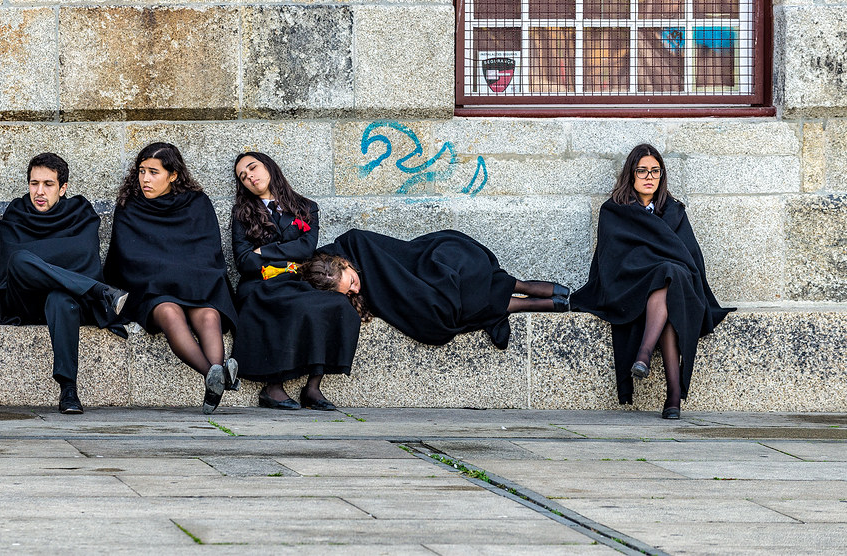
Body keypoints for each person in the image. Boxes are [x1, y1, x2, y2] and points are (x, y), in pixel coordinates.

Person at [571, 143, 734, 419]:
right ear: (631, 174)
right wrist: (652, 263)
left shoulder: (675, 212)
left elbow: (690, 257)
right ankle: (672, 396)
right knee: (667, 278)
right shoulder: (614, 211)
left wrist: (663, 264)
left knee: (671, 275)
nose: (649, 177)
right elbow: (613, 259)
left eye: (655, 171)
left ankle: (644, 357)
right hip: (629, 285)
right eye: (642, 170)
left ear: (662, 175)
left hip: (677, 282)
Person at [0, 152, 128, 415]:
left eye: (48, 184)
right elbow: (12, 264)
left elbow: (83, 255)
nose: (39, 191)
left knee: (60, 298)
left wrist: (44, 261)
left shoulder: (80, 213)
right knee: (20, 259)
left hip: (67, 299)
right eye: (34, 183)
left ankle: (68, 390)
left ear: (63, 188)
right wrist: (55, 258)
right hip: (23, 300)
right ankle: (99, 291)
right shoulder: (17, 212)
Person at [104, 142, 238, 414]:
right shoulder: (130, 206)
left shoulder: (197, 203)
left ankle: (216, 381)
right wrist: (168, 272)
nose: (145, 179)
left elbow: (207, 250)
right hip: (152, 289)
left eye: (153, 172)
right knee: (169, 313)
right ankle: (216, 375)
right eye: (141, 171)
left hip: (197, 284)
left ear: (173, 175)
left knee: (210, 316)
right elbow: (127, 257)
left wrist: (183, 273)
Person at [230, 152, 360, 411]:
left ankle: (313, 386)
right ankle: (273, 387)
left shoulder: (306, 207)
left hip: (297, 280)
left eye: (253, 168)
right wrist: (283, 251)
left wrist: (263, 251)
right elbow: (244, 262)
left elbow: (306, 248)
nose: (249, 177)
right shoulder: (242, 213)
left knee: (336, 304)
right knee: (288, 306)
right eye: (243, 177)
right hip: (259, 285)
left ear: (269, 166)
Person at [302, 229, 570, 350]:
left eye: (351, 281)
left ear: (345, 263)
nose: (355, 289)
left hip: (430, 261)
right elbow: (393, 296)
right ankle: (563, 300)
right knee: (492, 297)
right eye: (348, 293)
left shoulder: (357, 242)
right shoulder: (349, 276)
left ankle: (563, 296)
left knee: (500, 286)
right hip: (427, 288)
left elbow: (399, 260)